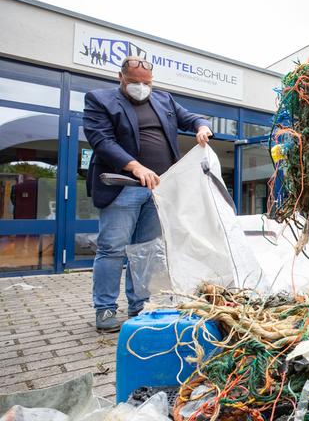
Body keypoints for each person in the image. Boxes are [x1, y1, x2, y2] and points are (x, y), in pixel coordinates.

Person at [83, 56, 213, 332]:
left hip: (159, 190)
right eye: (134, 82)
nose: (141, 87)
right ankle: (105, 309)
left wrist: (201, 126)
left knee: (144, 252)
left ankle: (139, 306)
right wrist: (136, 166)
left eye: (147, 83)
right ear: (121, 77)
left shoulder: (164, 100)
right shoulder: (99, 99)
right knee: (112, 248)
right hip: (123, 188)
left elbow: (191, 118)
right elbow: (101, 140)